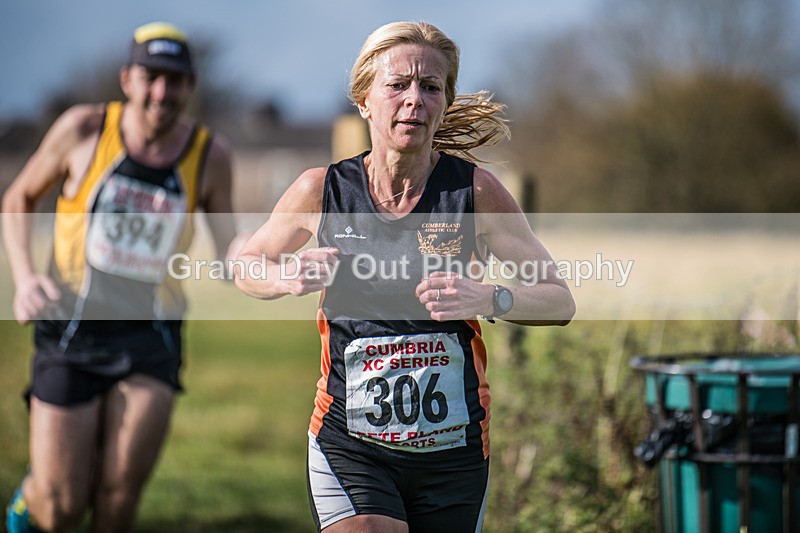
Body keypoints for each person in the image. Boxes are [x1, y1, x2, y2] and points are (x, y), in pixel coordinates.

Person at [235, 21, 575, 532]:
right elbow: (247, 264)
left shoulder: (476, 194)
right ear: (365, 100)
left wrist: (489, 297)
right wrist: (285, 276)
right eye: (397, 85)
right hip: (351, 442)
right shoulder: (320, 192)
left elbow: (558, 300)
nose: (413, 99)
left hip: (453, 450)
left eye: (430, 87)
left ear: (445, 102)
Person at [3, 22, 240, 533]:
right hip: (71, 329)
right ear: (127, 78)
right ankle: (32, 496)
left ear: (190, 85)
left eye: (174, 80)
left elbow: (229, 250)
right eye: (151, 76)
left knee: (117, 499)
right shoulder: (84, 130)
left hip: (150, 335)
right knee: (61, 507)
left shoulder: (210, 156)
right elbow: (18, 199)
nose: (162, 92)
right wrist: (24, 279)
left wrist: (274, 262)